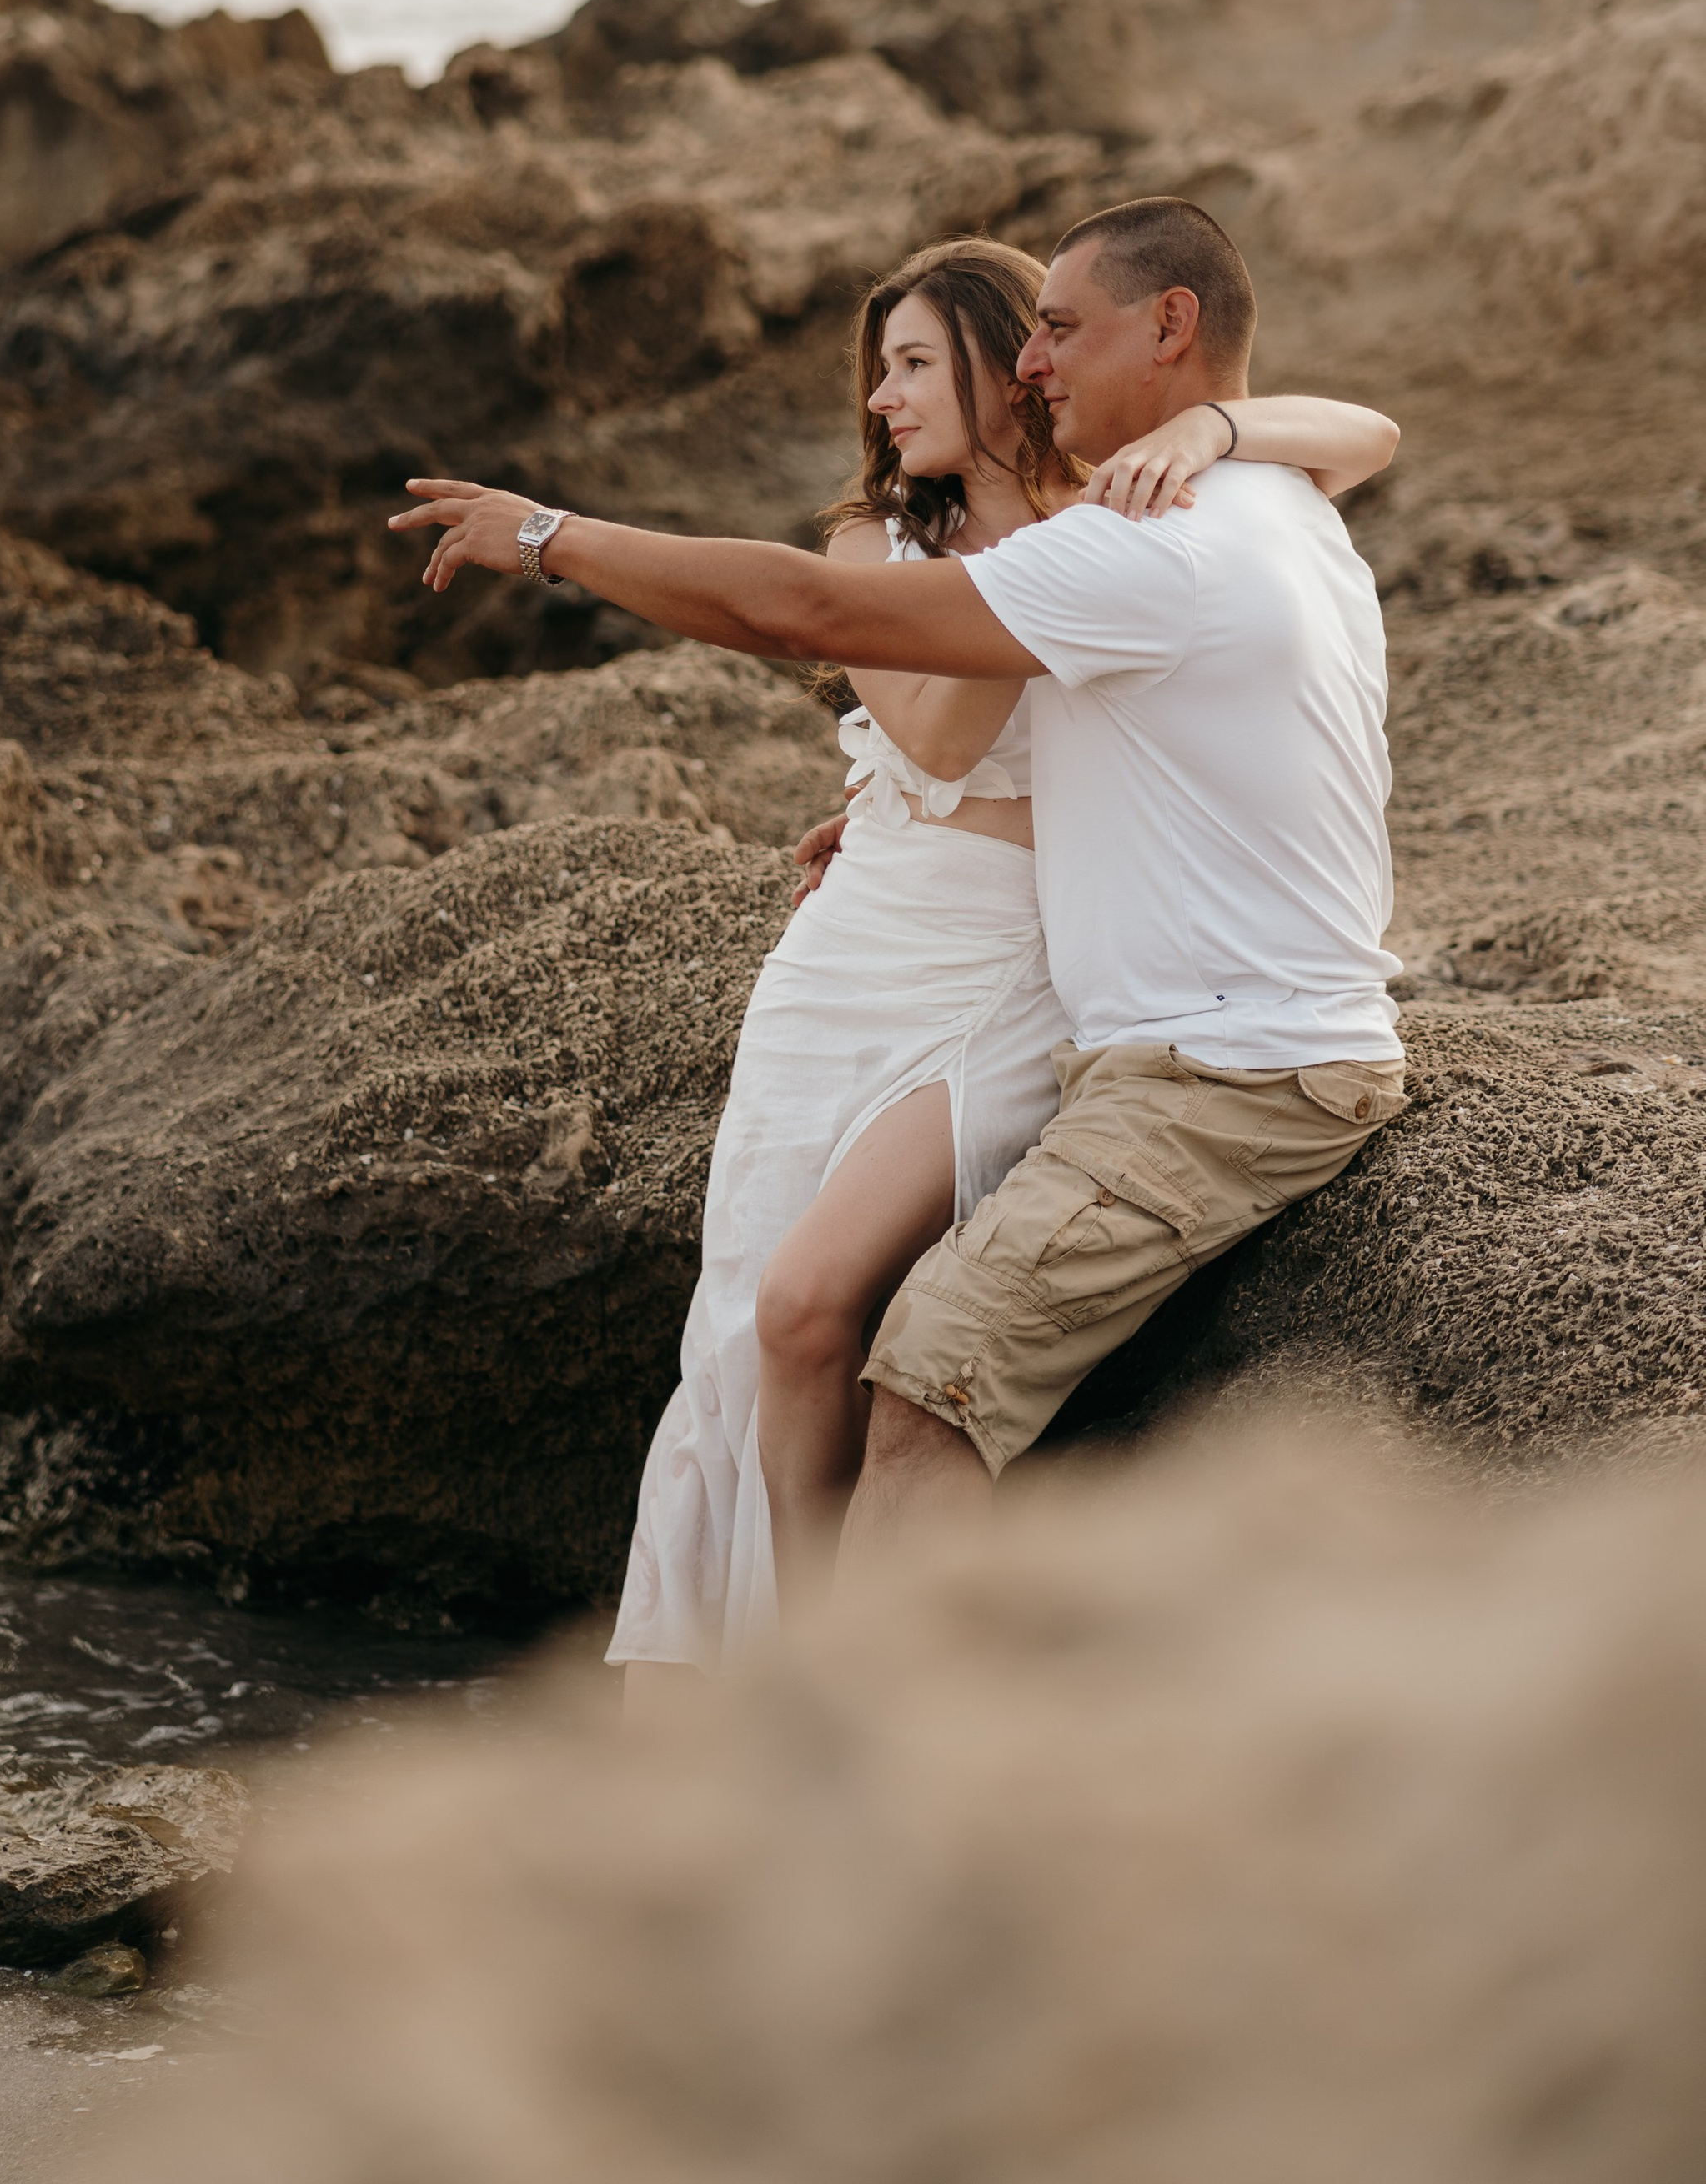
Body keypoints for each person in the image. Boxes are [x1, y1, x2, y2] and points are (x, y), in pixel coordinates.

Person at [392, 200, 1404, 1666]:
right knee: (768, 1314)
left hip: (1202, 1051)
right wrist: (1224, 438)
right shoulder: (1229, 508)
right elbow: (1339, 451)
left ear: (1163, 332)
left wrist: (549, 534)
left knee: (908, 1364)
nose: (1042, 360)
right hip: (994, 968)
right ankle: (801, 1702)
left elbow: (813, 618)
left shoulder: (1136, 538)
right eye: (1038, 332)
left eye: (1051, 332)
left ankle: (859, 1748)